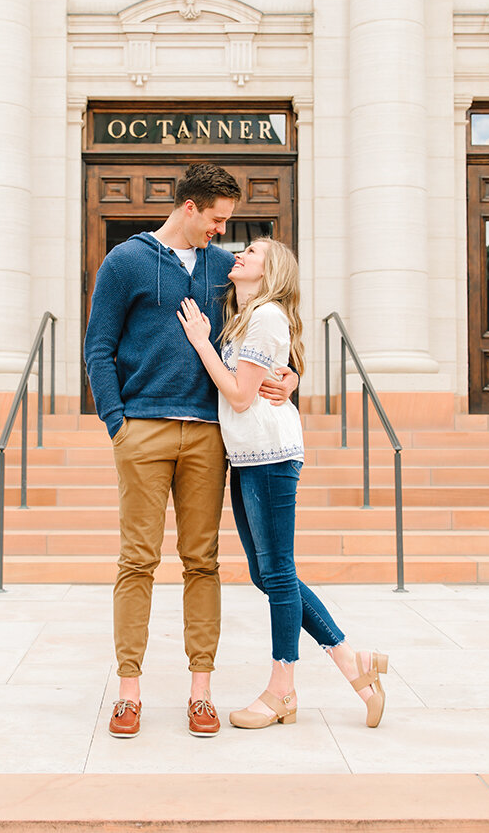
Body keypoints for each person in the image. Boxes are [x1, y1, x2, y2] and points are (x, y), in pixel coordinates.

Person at [84, 163, 298, 739]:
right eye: (217, 220)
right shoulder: (126, 262)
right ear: (189, 208)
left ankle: (200, 693)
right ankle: (128, 692)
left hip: (209, 434)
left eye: (227, 223)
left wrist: (292, 375)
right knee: (138, 561)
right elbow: (98, 347)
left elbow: (271, 324)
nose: (222, 232)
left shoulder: (225, 268)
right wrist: (116, 424)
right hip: (143, 430)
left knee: (203, 562)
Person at [176, 238, 390, 730]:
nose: (239, 254)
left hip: (269, 458)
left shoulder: (266, 315)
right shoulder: (246, 315)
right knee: (269, 574)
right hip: (248, 457)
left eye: (251, 251)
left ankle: (282, 691)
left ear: (271, 272)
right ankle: (352, 664)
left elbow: (239, 395)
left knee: (276, 574)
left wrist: (201, 341)